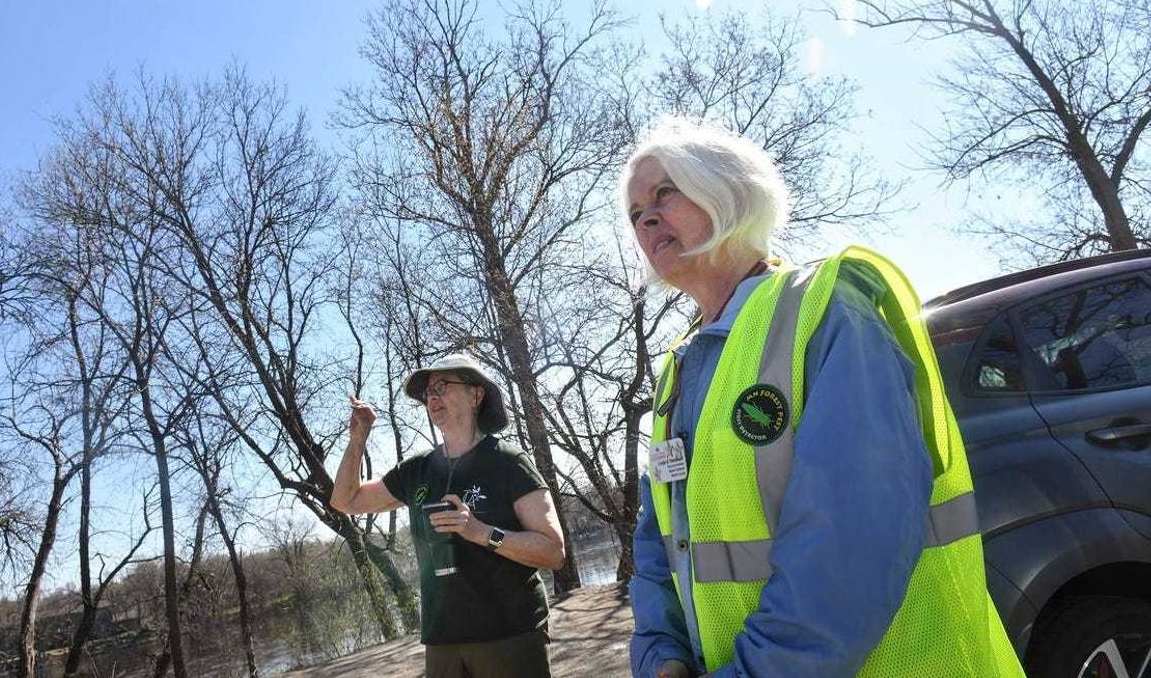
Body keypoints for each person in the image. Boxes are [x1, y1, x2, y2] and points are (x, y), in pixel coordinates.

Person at [622, 118, 1025, 677]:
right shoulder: (678, 371)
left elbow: (845, 552)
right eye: (635, 212)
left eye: (665, 192)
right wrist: (660, 654)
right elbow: (658, 544)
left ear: (729, 190)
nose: (645, 218)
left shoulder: (828, 313)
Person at [331, 352, 565, 678]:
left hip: (510, 635)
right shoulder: (417, 470)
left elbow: (553, 551)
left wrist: (482, 532)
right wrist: (358, 440)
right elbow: (346, 500)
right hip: (443, 642)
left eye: (442, 386)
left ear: (476, 395)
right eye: (428, 391)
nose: (432, 396)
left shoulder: (509, 462)